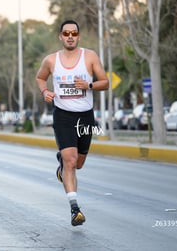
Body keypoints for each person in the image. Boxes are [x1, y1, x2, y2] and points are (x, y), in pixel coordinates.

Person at [35, 19, 109, 226]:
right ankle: (75, 209)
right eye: (66, 33)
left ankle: (62, 164)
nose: (70, 37)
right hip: (63, 116)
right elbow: (40, 78)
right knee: (70, 160)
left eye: (73, 34)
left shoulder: (90, 56)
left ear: (78, 36)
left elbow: (106, 82)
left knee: (78, 163)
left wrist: (89, 85)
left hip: (85, 116)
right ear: (60, 36)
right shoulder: (51, 60)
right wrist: (45, 92)